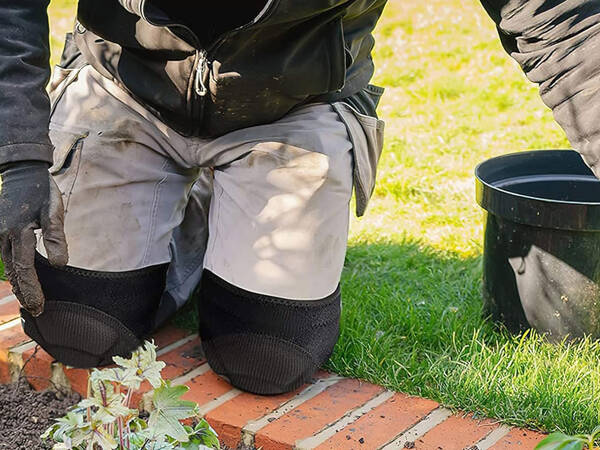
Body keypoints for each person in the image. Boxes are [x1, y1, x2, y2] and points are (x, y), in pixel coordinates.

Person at [0, 0, 598, 395]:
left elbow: (560, 21)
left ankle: (220, 202)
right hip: (125, 82)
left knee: (266, 358)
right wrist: (18, 156)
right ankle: (192, 215)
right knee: (78, 327)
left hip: (293, 103)